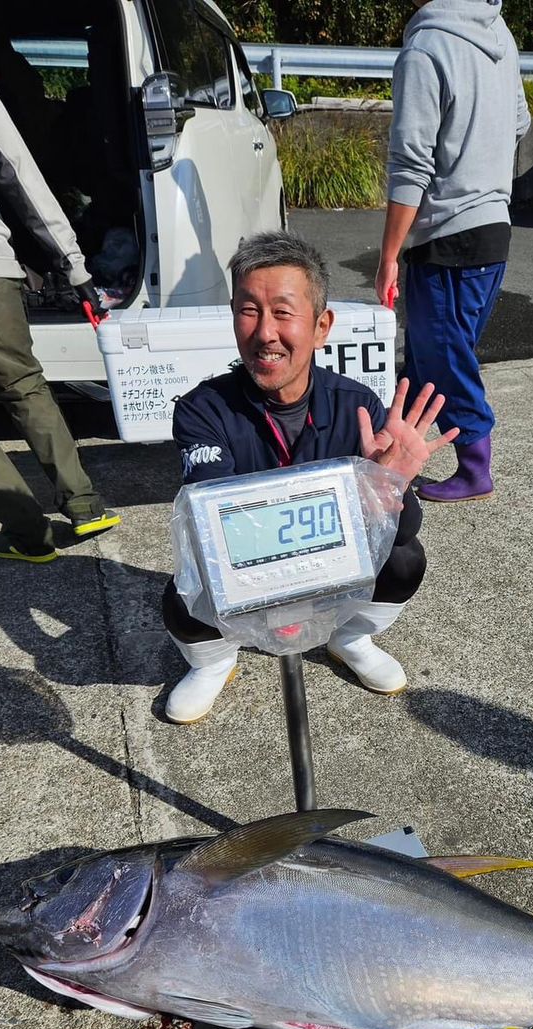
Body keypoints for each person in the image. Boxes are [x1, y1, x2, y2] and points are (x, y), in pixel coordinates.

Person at [163, 230, 456, 725]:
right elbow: (215, 530)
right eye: (248, 310)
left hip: (333, 569)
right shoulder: (201, 411)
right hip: (248, 572)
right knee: (185, 588)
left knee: (406, 558)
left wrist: (387, 487)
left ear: (321, 326)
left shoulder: (359, 405)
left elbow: (399, 533)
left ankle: (349, 637)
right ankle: (214, 662)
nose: (264, 332)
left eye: (283, 311)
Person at [0, 39, 119, 564]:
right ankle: (85, 503)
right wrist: (73, 264)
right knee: (22, 385)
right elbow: (15, 168)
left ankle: (28, 533)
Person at [375, 0, 530, 503]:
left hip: (447, 235)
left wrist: (388, 257)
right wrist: (483, 163)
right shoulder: (499, 33)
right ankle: (395, 450)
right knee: (425, 356)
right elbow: (521, 121)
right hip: (493, 229)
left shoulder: (425, 48)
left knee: (443, 356)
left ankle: (475, 469)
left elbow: (411, 163)